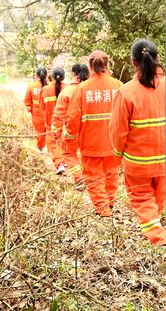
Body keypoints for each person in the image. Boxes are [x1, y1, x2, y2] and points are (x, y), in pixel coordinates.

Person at [110, 39, 166, 246]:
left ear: (133, 62)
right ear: (157, 59)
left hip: (138, 163)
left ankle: (157, 238)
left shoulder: (126, 92)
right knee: (158, 200)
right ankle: (155, 228)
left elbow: (118, 130)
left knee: (142, 200)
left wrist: (117, 152)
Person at [65, 51, 123, 217]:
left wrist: (69, 138)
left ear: (90, 66)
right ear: (107, 64)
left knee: (94, 177)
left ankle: (103, 209)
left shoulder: (82, 88)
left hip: (90, 143)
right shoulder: (118, 85)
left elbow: (73, 117)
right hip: (114, 143)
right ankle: (110, 202)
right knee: (112, 173)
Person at [52, 63, 90, 183]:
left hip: (71, 131)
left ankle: (79, 178)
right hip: (90, 130)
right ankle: (90, 177)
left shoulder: (67, 91)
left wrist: (56, 130)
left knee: (69, 153)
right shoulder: (90, 91)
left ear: (73, 74)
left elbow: (59, 114)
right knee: (87, 154)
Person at [40, 67, 67, 175]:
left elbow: (42, 106)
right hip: (66, 123)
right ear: (63, 77)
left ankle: (60, 163)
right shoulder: (68, 89)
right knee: (64, 141)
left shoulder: (45, 90)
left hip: (51, 123)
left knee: (53, 143)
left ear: (51, 77)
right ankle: (65, 160)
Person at [24, 67, 48, 153]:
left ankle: (40, 148)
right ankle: (50, 148)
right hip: (49, 113)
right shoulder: (50, 85)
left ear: (36, 75)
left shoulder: (31, 86)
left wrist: (30, 110)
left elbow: (27, 100)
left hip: (37, 114)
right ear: (47, 75)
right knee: (50, 130)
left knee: (40, 131)